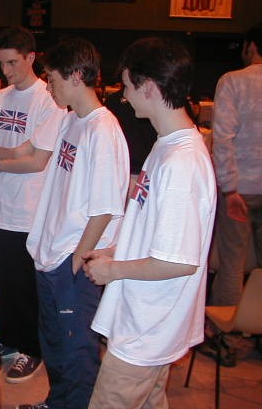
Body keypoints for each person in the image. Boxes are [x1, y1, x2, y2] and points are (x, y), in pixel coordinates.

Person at [84, 37, 217, 408]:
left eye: (128, 86)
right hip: (145, 319)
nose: (125, 97)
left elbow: (178, 261)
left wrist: (113, 270)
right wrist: (116, 250)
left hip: (148, 326)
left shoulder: (181, 162)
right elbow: (157, 232)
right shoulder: (168, 144)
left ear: (149, 87)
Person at [16, 38, 130, 409]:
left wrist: (79, 258)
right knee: (55, 344)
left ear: (77, 76)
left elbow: (104, 208)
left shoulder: (102, 129)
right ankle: (56, 402)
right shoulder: (70, 120)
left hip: (73, 258)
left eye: (53, 79)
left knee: (77, 351)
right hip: (51, 253)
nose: (48, 86)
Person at [0, 26, 66, 384]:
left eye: (13, 63)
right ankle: (8, 339)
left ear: (31, 57)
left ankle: (32, 348)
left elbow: (38, 162)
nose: (6, 71)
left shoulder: (49, 99)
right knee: (1, 283)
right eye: (2, 63)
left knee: (26, 287)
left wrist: (0, 162)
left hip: (29, 210)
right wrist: (16, 152)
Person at [211, 25, 262, 306]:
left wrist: (229, 188)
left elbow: (222, 138)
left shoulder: (233, 81)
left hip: (240, 188)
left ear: (251, 46)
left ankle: (226, 327)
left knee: (233, 262)